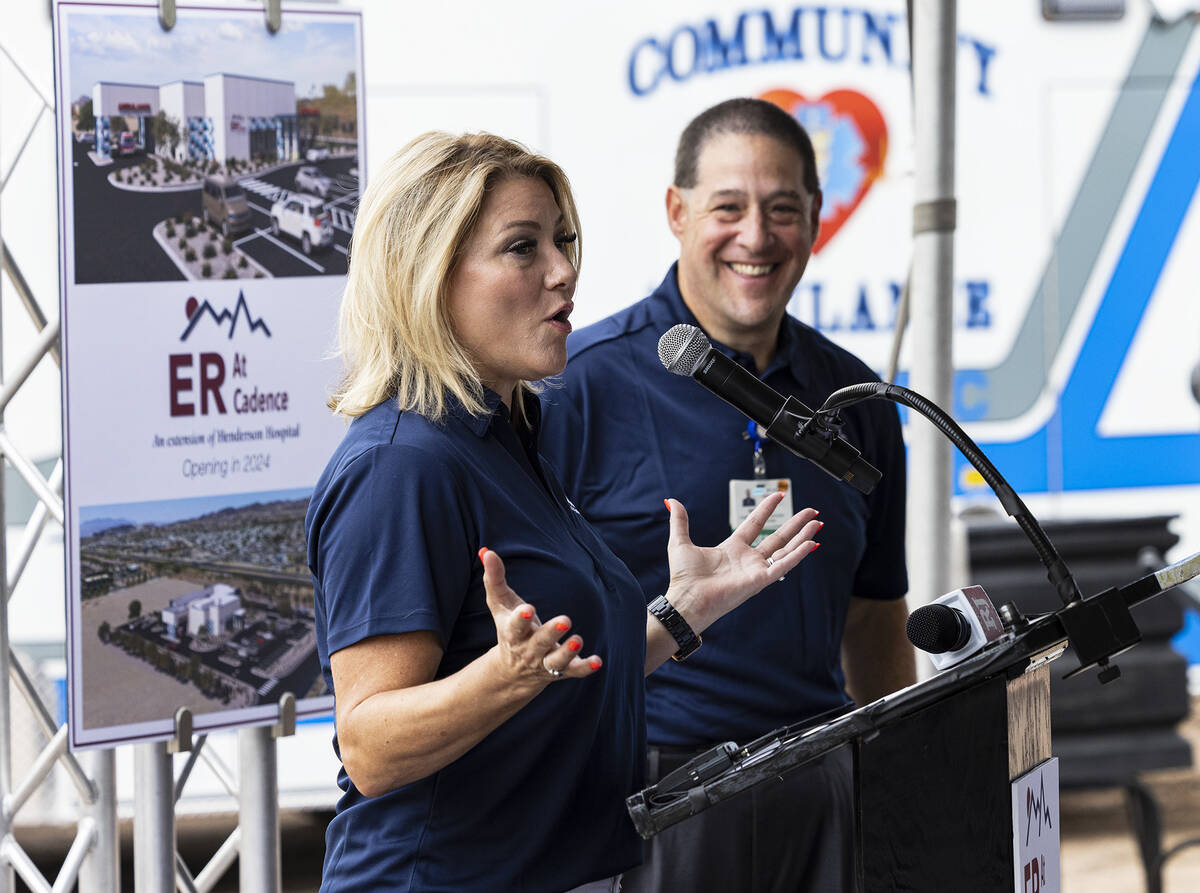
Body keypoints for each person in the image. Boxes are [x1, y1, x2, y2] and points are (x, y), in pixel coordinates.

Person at [304, 130, 824, 893]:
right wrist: (503, 676)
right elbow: (371, 746)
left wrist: (683, 610)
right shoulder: (400, 462)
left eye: (563, 240)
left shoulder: (506, 435)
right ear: (428, 273)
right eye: (522, 248)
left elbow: (561, 665)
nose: (563, 271)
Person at [540, 98, 917, 892]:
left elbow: (875, 614)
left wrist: (899, 779)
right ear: (676, 213)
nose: (756, 236)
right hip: (650, 796)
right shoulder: (579, 386)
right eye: (728, 208)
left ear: (816, 217)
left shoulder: (859, 401)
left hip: (823, 782)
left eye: (783, 208)